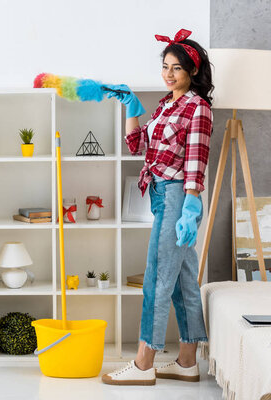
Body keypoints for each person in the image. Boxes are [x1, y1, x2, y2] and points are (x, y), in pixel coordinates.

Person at [102, 29, 214, 385]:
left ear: (192, 71)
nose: (168, 74)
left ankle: (143, 362)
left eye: (176, 68)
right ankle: (186, 362)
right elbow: (138, 146)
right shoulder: (167, 104)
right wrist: (131, 108)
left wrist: (191, 208)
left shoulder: (198, 108)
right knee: (182, 282)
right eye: (165, 66)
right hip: (162, 193)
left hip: (179, 196)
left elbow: (196, 161)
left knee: (156, 278)